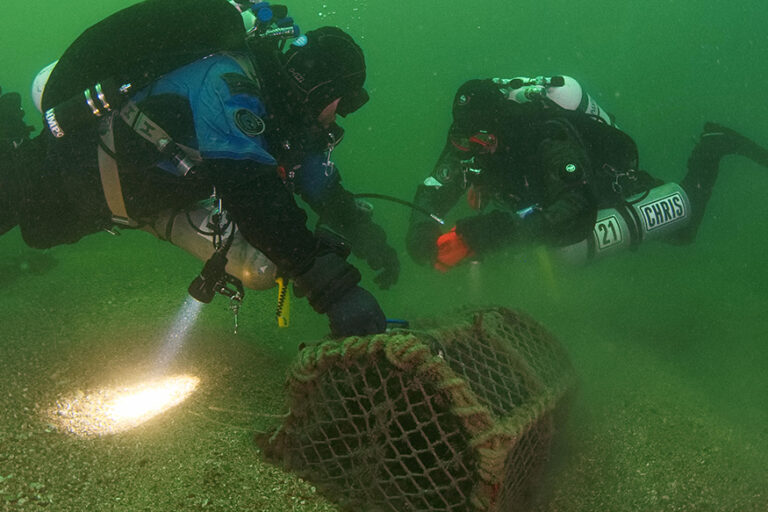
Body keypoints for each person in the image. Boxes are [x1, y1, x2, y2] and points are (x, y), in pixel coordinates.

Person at [0, 0, 399, 337]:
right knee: (16, 203)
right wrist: (336, 291)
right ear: (321, 87)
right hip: (63, 172)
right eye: (344, 103)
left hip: (109, 201)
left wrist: (368, 237)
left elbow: (317, 180)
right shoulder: (226, 82)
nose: (339, 117)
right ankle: (9, 136)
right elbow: (251, 192)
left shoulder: (278, 113)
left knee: (40, 230)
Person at [406, 75, 768, 270]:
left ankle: (713, 145)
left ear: (501, 124)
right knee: (535, 248)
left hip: (601, 185)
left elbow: (577, 205)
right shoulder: (470, 134)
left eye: (483, 140)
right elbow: (438, 183)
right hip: (538, 198)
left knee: (684, 231)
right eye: (465, 141)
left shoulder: (548, 135)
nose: (474, 149)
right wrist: (421, 228)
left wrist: (497, 231)